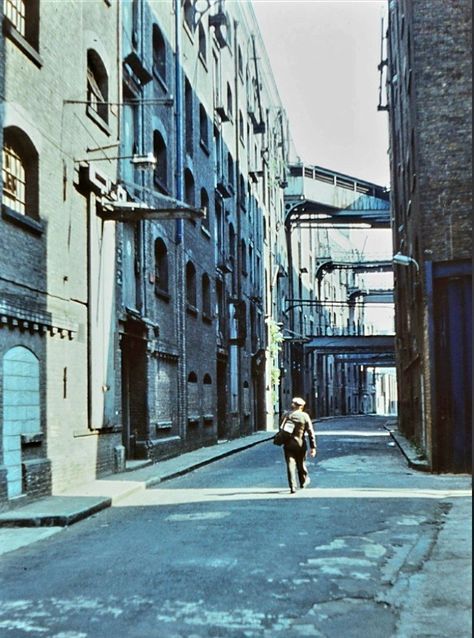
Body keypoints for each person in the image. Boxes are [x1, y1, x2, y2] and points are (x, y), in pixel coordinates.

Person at [279, 397, 316, 494]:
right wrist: (313, 447)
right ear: (301, 406)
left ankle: (292, 487)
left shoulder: (286, 415)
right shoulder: (304, 416)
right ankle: (303, 482)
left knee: (290, 465)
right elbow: (310, 432)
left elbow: (281, 428)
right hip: (300, 444)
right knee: (301, 464)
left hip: (288, 444)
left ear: (293, 405)